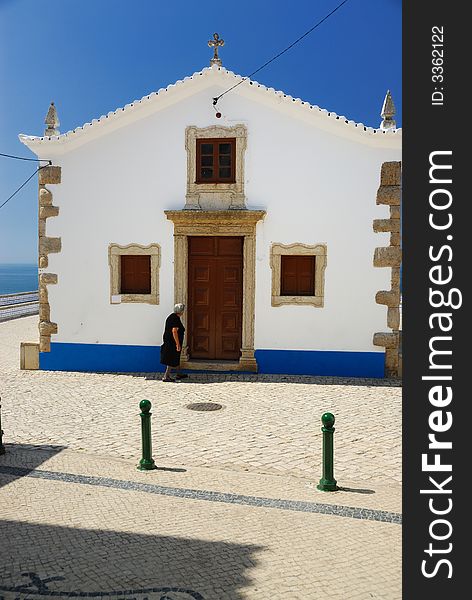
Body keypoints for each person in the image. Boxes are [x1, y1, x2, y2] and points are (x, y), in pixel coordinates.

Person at [160, 303, 188, 382]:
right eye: (183, 310)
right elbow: (174, 331)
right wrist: (177, 344)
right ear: (181, 311)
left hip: (170, 341)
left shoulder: (173, 317)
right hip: (172, 342)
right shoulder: (175, 318)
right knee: (171, 358)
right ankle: (166, 376)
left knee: (176, 357)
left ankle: (179, 373)